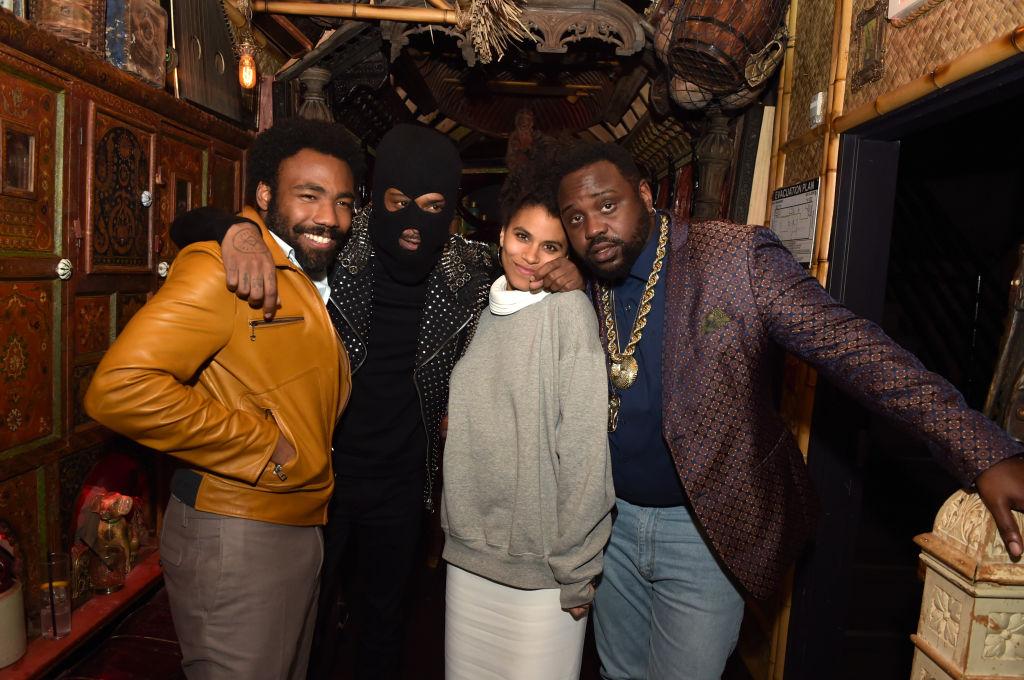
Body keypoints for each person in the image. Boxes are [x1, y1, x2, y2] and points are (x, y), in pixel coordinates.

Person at [551, 141, 1024, 680]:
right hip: (609, 526)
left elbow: (855, 349)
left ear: (643, 193)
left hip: (706, 531)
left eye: (607, 205)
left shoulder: (733, 257)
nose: (593, 230)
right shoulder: (582, 285)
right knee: (619, 672)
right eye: (576, 218)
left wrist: (982, 450)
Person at [168, 123, 584, 679]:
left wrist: (570, 270)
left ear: (452, 210)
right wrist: (240, 230)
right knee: (303, 623)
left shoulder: (467, 267)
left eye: (434, 206)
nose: (415, 222)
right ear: (375, 199)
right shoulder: (335, 244)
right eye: (398, 203)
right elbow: (189, 224)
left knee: (385, 622)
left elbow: (530, 254)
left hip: (404, 482)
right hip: (319, 472)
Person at [84, 118, 358, 680]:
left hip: (292, 526)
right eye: (309, 196)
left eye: (342, 201)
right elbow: (120, 389)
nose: (329, 217)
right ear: (264, 195)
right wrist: (265, 446)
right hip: (238, 533)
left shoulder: (305, 272)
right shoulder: (223, 267)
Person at [441, 157, 615, 680]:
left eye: (551, 247)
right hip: (470, 562)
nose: (531, 258)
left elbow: (585, 448)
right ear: (501, 233)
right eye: (522, 236)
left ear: (568, 255)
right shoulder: (486, 309)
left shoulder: (569, 314)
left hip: (545, 574)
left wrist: (578, 569)